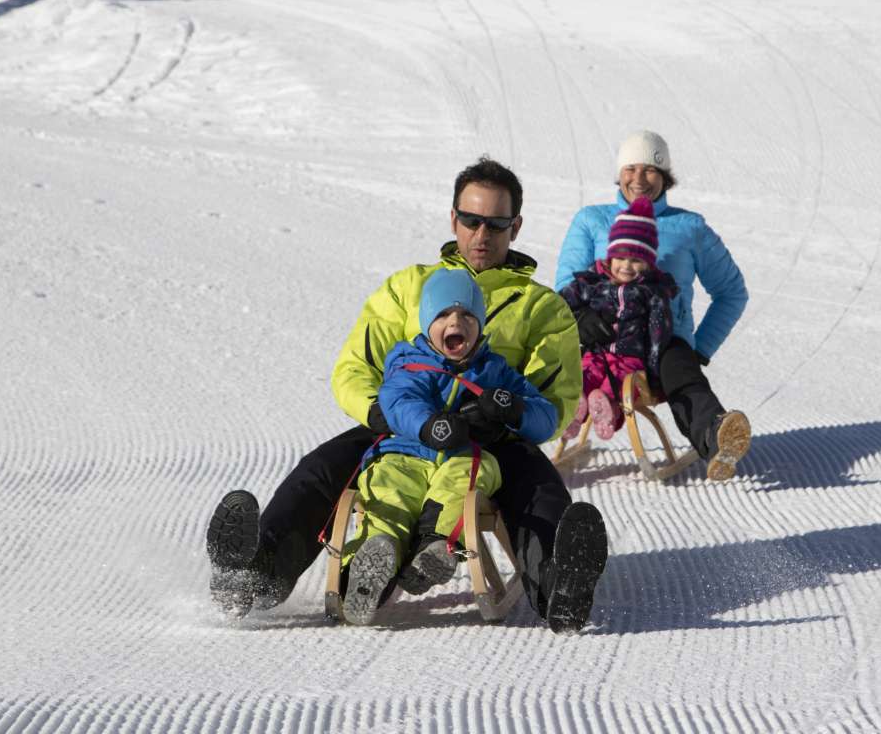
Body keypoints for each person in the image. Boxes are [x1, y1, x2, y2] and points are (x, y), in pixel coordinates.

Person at [206, 157, 608, 634]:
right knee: (320, 470)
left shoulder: (541, 307)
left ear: (515, 226)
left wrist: (507, 412)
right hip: (403, 426)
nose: (483, 234)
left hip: (490, 435)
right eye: (472, 220)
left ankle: (560, 585)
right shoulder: (409, 288)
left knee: (537, 488)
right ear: (453, 218)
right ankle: (255, 574)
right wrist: (381, 413)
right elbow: (355, 366)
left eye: (497, 223)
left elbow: (554, 396)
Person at [341, 268, 557, 625]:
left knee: (467, 480)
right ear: (427, 322)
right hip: (406, 454)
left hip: (464, 456)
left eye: (468, 315)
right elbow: (397, 400)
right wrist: (429, 425)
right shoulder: (410, 363)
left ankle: (437, 546)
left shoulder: (495, 370)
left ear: (481, 324)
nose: (456, 322)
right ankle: (372, 560)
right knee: (388, 493)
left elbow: (545, 417)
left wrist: (513, 407)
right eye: (443, 314)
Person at [555, 130, 752, 480]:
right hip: (605, 340)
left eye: (650, 169)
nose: (639, 179)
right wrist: (580, 320)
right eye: (631, 168)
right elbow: (565, 287)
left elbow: (731, 291)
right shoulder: (591, 220)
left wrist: (701, 348)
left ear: (665, 176)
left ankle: (717, 436)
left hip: (665, 340)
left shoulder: (690, 227)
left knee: (684, 375)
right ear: (620, 172)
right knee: (579, 371)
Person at [558, 195, 678, 441]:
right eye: (621, 258)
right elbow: (560, 304)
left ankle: (608, 411)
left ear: (647, 263)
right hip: (595, 353)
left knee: (619, 386)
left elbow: (659, 333)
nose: (626, 266)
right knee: (580, 375)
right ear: (610, 257)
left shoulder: (651, 292)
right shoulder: (592, 282)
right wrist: (574, 316)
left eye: (636, 260)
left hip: (630, 359)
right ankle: (573, 411)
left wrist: (655, 374)